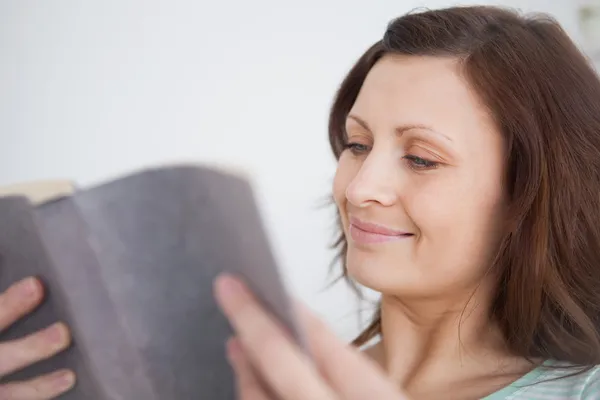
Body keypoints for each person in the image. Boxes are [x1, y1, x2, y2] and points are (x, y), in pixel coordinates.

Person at [2, 5, 600, 400]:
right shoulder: (253, 383)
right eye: (357, 144)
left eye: (421, 158)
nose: (360, 188)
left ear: (531, 193)